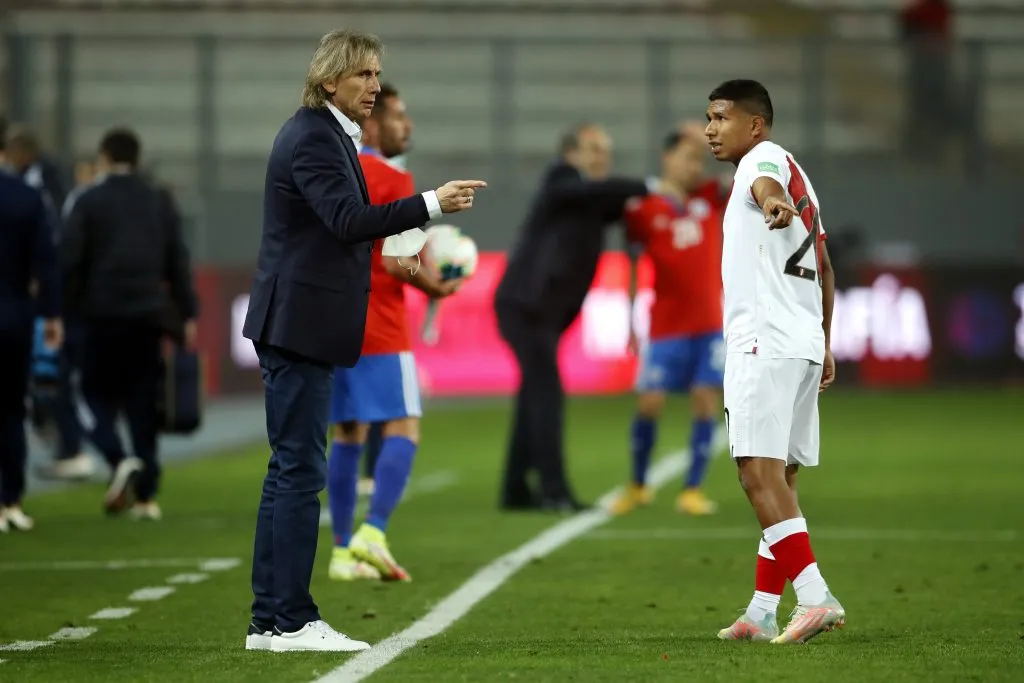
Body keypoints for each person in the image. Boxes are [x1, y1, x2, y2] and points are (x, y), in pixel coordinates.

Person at [240, 29, 485, 654]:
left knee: (289, 470)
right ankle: (290, 619)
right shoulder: (314, 137)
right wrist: (431, 203)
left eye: (377, 74)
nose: (375, 85)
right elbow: (348, 222)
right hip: (298, 322)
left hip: (299, 321)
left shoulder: (323, 134)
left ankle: (270, 620)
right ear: (329, 81)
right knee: (299, 471)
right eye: (363, 75)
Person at [703, 79, 843, 644]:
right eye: (708, 118)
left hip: (762, 341)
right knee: (780, 478)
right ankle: (762, 611)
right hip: (802, 340)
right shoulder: (802, 178)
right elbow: (827, 268)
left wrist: (769, 200)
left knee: (754, 473)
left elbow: (764, 186)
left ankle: (815, 598)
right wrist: (826, 341)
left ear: (755, 124)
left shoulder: (760, 162)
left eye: (719, 117)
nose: (710, 129)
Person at [326, 82, 462, 583]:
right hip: (380, 323)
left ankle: (341, 554)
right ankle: (374, 532)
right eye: (400, 117)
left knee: (346, 432)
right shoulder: (392, 179)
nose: (408, 127)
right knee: (403, 425)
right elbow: (400, 261)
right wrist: (437, 287)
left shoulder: (333, 170)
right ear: (376, 123)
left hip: (332, 323)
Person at [494, 124, 650, 513]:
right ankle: (554, 490)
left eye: (605, 151)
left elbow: (617, 205)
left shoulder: (589, 197)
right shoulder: (561, 180)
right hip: (526, 307)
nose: (602, 158)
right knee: (546, 394)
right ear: (570, 155)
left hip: (538, 310)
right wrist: (651, 185)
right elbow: (598, 192)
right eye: (593, 149)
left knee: (534, 395)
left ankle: (515, 490)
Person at [61, 128, 198, 522]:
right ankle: (146, 497)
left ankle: (118, 458)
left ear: (104, 157)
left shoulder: (88, 201)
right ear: (137, 159)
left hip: (100, 317)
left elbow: (69, 261)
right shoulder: (158, 200)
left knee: (89, 395)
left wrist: (62, 312)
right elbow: (178, 262)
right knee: (143, 403)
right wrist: (186, 314)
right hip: (146, 317)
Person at [608, 127, 725, 517]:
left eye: (699, 159)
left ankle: (692, 489)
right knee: (650, 402)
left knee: (705, 402)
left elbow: (742, 170)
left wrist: (709, 137)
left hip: (709, 322)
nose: (694, 166)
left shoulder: (711, 197)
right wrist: (629, 322)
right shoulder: (644, 209)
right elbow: (633, 263)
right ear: (667, 158)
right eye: (687, 157)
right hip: (665, 325)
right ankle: (639, 484)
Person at [0, 126, 63, 533]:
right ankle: (11, 502)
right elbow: (47, 261)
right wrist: (52, 316)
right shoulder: (24, 197)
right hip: (12, 318)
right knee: (10, 411)